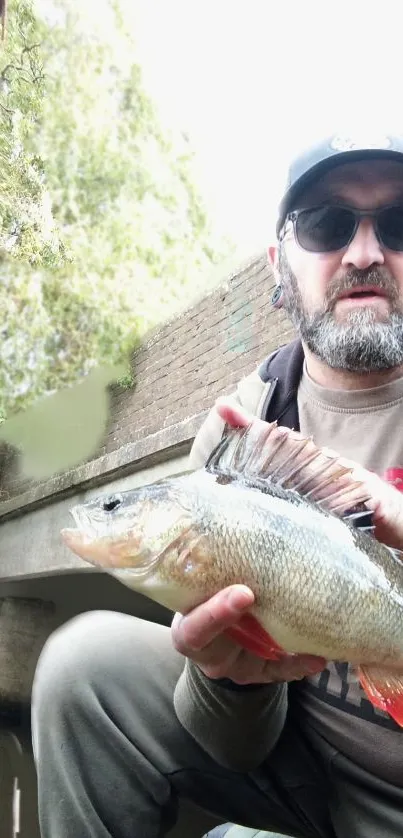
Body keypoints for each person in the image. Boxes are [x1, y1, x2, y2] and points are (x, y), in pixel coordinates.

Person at [31, 132, 403, 838]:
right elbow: (235, 745)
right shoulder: (245, 423)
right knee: (83, 664)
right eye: (325, 224)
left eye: (399, 223)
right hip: (310, 775)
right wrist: (230, 676)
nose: (362, 253)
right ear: (279, 263)